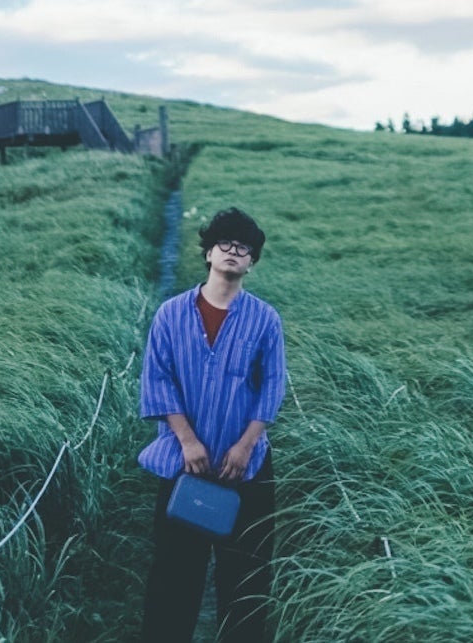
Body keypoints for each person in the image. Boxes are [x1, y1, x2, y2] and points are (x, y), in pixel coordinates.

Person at [138, 207, 287, 642]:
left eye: (244, 247)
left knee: (246, 578)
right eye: (225, 243)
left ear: (251, 262)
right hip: (182, 465)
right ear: (208, 253)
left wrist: (245, 446)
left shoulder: (265, 319)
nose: (233, 251)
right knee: (173, 577)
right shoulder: (170, 314)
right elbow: (158, 379)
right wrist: (187, 440)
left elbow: (272, 386)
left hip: (246, 469)